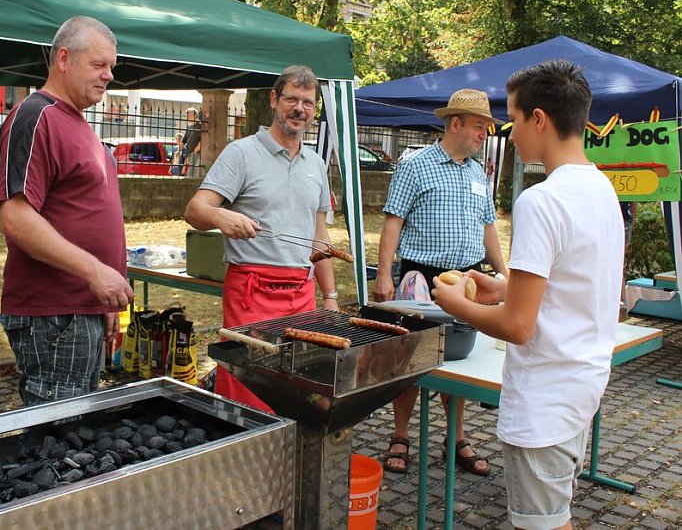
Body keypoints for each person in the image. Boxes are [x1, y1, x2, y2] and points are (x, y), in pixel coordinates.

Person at [433, 60, 624, 530]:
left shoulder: (542, 199)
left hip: (544, 399)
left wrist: (455, 303)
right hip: (580, 387)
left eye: (514, 120)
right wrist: (504, 286)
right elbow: (575, 281)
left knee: (543, 524)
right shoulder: (602, 188)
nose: (510, 135)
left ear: (539, 119)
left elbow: (518, 326)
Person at [0, 16, 134, 406]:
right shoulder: (36, 115)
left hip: (81, 309)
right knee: (59, 436)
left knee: (79, 432)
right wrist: (95, 273)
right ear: (64, 59)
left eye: (111, 67)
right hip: (55, 315)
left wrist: (103, 298)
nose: (108, 76)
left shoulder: (77, 122)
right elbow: (16, 218)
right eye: (99, 65)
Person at [184, 65, 339, 412]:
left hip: (302, 293)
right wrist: (221, 216)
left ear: (315, 110)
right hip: (251, 292)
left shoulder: (316, 164)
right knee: (247, 383)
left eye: (308, 103)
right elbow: (195, 210)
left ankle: (286, 457)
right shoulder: (241, 153)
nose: (299, 109)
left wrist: (329, 296)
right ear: (273, 100)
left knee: (296, 383)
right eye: (292, 99)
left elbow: (319, 235)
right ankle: (242, 454)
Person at [373, 88, 508, 476]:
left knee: (461, 358)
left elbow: (488, 228)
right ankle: (400, 435)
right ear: (455, 124)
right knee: (410, 360)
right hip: (420, 278)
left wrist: (504, 273)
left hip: (468, 281)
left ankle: (457, 436)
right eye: (480, 127)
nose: (485, 135)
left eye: (487, 128)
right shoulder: (415, 164)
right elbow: (393, 220)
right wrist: (384, 275)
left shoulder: (478, 173)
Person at [178, 107, 202, 177]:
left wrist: (197, 147)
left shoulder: (200, 125)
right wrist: (179, 149)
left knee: (192, 170)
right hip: (189, 151)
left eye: (189, 114)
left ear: (195, 115)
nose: (187, 116)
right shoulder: (189, 126)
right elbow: (185, 138)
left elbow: (203, 138)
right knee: (191, 169)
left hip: (196, 152)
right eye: (187, 115)